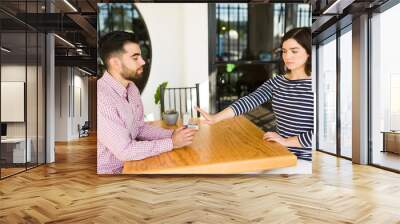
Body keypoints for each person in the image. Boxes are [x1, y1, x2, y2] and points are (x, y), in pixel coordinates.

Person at [196, 27, 313, 174]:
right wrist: (215, 118)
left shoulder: (316, 85)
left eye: (294, 51)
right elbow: (249, 100)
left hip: (304, 159)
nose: (287, 56)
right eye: (284, 51)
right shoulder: (277, 82)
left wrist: (286, 141)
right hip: (278, 151)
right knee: (241, 171)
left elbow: (318, 134)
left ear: (309, 52)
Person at [97, 31, 197, 174]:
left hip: (133, 164)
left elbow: (139, 128)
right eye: (135, 57)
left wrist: (172, 134)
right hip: (111, 175)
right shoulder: (101, 98)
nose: (143, 62)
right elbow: (125, 151)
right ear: (115, 63)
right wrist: (172, 143)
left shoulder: (131, 89)